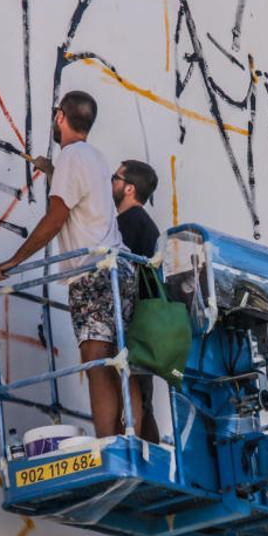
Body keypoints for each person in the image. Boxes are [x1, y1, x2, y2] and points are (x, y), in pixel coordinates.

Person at [0, 91, 144, 438]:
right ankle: (130, 439)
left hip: (93, 274)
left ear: (60, 117)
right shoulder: (95, 158)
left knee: (96, 361)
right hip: (119, 269)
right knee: (120, 362)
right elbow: (86, 199)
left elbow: (56, 219)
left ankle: (107, 447)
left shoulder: (72, 157)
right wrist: (52, 170)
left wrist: (13, 261)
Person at [111, 160, 162, 443]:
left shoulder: (128, 223)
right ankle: (150, 453)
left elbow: (119, 273)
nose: (112, 184)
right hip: (148, 322)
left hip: (135, 321)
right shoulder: (145, 223)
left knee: (133, 395)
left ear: (129, 188)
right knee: (143, 396)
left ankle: (137, 452)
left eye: (114, 178)